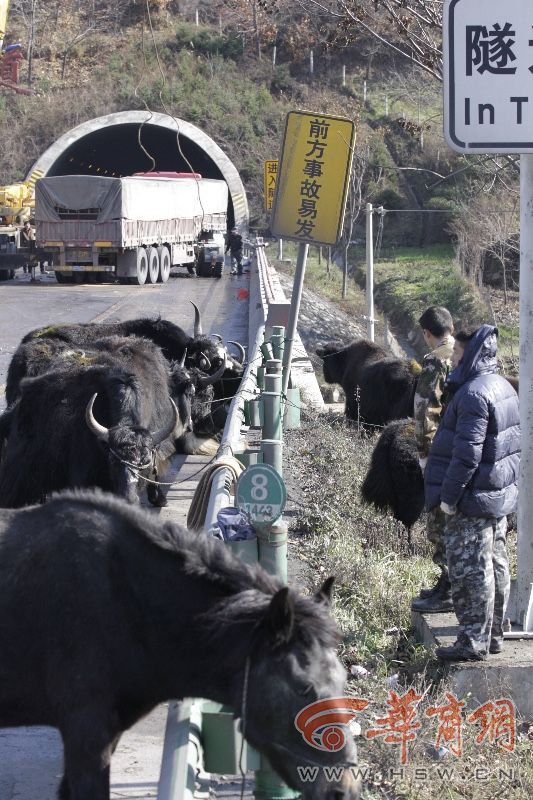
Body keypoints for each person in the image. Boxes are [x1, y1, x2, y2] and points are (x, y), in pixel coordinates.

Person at [424, 325, 520, 661]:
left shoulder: (473, 394)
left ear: (472, 355)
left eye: (458, 354)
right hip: (496, 495)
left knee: (471, 570)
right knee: (495, 563)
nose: (452, 360)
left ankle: (472, 641)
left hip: (472, 498)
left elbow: (466, 455)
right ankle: (493, 635)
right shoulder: (502, 387)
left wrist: (449, 498)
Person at [411, 306, 455, 613]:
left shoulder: (435, 362)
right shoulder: (466, 355)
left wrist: (424, 454)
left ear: (428, 333)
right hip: (466, 449)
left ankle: (449, 586)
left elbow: (424, 411)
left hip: (442, 454)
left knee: (440, 521)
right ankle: (449, 583)